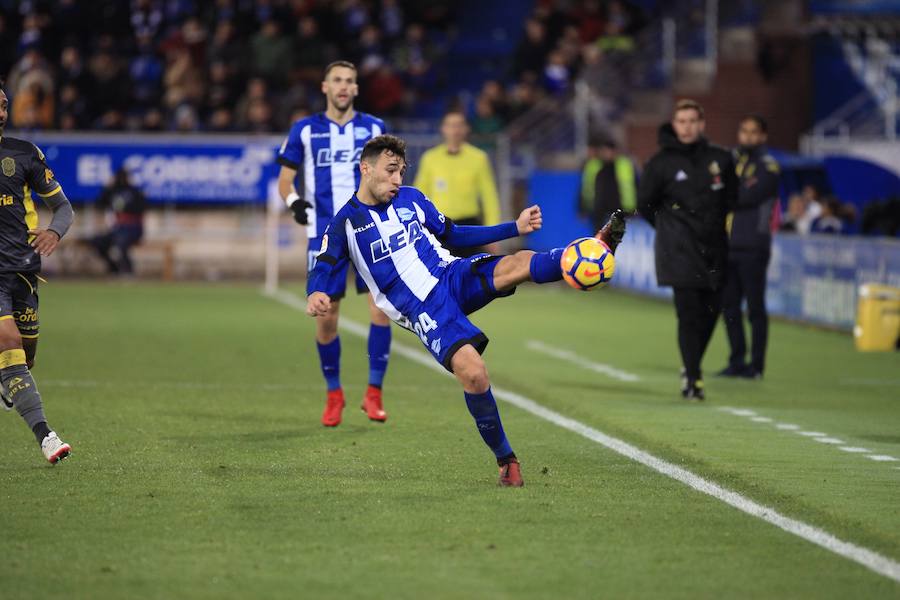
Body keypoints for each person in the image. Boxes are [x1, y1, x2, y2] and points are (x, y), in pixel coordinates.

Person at [306, 135, 626, 486]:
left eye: (401, 171)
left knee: (516, 264)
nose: (398, 179)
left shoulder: (412, 200)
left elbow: (453, 234)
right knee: (474, 373)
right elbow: (324, 262)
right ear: (365, 169)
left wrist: (513, 228)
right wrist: (316, 291)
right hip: (423, 309)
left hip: (451, 274)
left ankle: (587, 250)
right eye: (391, 171)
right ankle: (506, 459)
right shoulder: (345, 223)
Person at [276, 61, 392, 427]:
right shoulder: (304, 130)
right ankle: (333, 394)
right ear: (325, 87)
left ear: (356, 89)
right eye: (337, 80)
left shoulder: (375, 128)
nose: (343, 87)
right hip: (326, 235)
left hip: (370, 230)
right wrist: (295, 204)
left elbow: (391, 175)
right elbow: (285, 181)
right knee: (326, 319)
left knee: (381, 309)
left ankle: (373, 393)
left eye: (350, 81)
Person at [637, 99, 738, 400]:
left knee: (712, 311)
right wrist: (669, 228)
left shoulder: (720, 158)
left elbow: (732, 197)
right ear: (674, 124)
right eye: (682, 121)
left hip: (715, 247)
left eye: (693, 121)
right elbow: (645, 204)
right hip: (678, 249)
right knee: (688, 313)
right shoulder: (660, 163)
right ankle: (692, 377)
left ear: (701, 124)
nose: (687, 126)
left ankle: (692, 366)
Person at [0, 82, 74, 464]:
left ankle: (8, 380)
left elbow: (64, 209)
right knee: (6, 338)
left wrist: (53, 231)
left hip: (24, 270)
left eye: (3, 105)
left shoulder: (24, 154)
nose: (0, 111)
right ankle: (46, 435)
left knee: (24, 357)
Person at [719, 115, 780, 379]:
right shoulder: (732, 161)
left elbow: (747, 196)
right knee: (729, 306)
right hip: (727, 246)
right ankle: (736, 360)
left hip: (753, 246)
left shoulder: (768, 167)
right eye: (744, 131)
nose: (747, 137)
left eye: (754, 132)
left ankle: (757, 365)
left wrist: (723, 193)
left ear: (763, 136)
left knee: (755, 307)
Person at [413, 110, 501, 257]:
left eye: (459, 125)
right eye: (451, 125)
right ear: (443, 128)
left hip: (469, 225)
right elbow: (419, 194)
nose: (455, 130)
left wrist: (493, 232)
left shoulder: (479, 158)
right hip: (440, 225)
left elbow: (489, 197)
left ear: (467, 129)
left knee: (470, 272)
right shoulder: (430, 158)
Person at [89, 168, 146, 275]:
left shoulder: (134, 191)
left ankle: (128, 271)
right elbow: (100, 203)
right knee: (98, 241)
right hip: (118, 228)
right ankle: (113, 268)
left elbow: (141, 207)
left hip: (133, 228)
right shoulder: (113, 191)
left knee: (120, 242)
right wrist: (106, 187)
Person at [579, 138, 638, 230]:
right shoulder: (593, 166)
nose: (607, 154)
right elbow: (586, 188)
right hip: (599, 210)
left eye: (609, 151)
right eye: (605, 151)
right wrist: (583, 208)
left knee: (616, 237)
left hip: (618, 209)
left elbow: (633, 186)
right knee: (599, 238)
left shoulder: (624, 165)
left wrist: (632, 208)